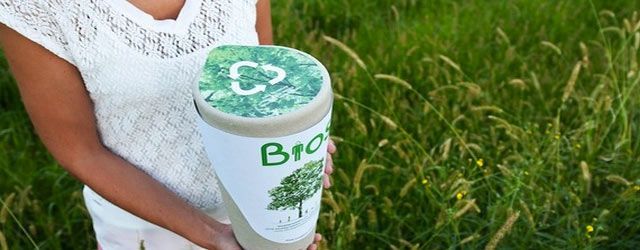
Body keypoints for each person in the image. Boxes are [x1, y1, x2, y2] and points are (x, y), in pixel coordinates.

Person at [0, 0, 336, 249]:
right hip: (141, 226)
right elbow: (81, 152)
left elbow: (265, 90)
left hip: (256, 212)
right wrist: (211, 235)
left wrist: (297, 142)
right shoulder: (35, 9)